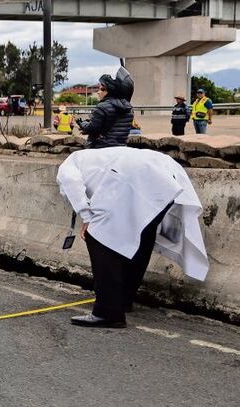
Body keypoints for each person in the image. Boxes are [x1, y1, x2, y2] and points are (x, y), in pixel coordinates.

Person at [57, 147, 209, 328]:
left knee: (98, 238)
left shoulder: (67, 166)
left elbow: (72, 184)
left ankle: (108, 311)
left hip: (133, 175)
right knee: (144, 235)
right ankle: (123, 299)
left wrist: (87, 217)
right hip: (165, 172)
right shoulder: (94, 159)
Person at [77, 67, 134, 149]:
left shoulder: (101, 107)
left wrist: (82, 124)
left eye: (102, 89)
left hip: (101, 148)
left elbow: (93, 129)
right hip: (121, 148)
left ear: (110, 91)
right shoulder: (129, 108)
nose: (98, 92)